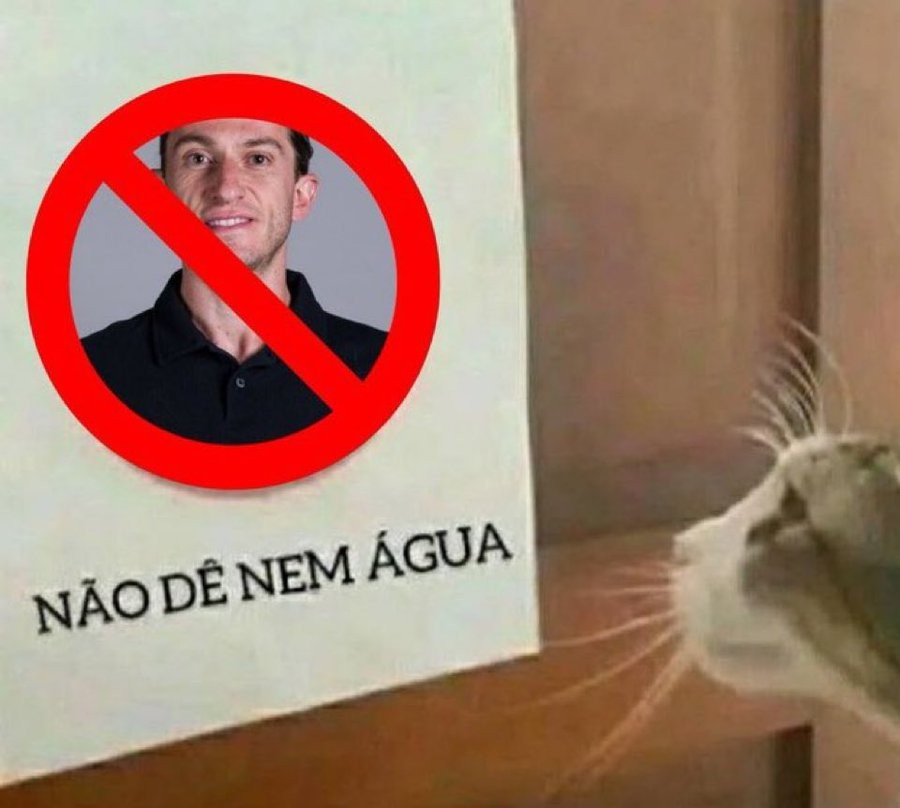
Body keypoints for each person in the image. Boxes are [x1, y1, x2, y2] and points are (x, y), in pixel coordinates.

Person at [82, 118, 387, 444]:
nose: (226, 189)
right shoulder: (88, 373)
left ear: (300, 196)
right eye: (198, 158)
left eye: (258, 159)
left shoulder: (386, 371)